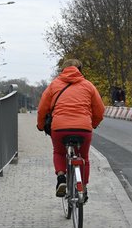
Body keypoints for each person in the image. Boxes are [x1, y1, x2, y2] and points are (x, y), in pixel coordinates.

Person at [36, 59, 104, 200]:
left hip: (59, 128)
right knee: (84, 157)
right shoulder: (88, 85)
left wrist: (41, 125)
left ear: (62, 70)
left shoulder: (54, 85)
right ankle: (83, 188)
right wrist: (93, 124)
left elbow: (42, 109)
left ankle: (61, 178)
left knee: (59, 153)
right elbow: (99, 109)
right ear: (80, 69)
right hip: (83, 128)